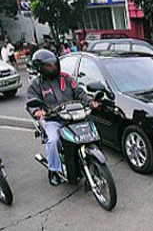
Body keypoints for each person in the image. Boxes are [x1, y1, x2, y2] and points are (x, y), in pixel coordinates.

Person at [26, 49, 99, 186]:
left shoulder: (66, 78)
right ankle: (54, 170)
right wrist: (37, 111)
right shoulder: (36, 84)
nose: (52, 67)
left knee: (91, 131)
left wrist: (90, 102)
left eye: (53, 64)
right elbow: (31, 101)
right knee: (53, 140)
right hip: (53, 120)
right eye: (48, 65)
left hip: (73, 117)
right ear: (40, 68)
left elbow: (79, 92)